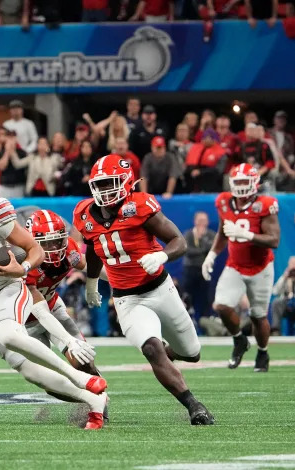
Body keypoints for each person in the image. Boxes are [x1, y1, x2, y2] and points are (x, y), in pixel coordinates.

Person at [0, 155, 107, 430]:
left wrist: (21, 268)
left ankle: (83, 378)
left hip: (7, 288)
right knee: (30, 372)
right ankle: (93, 400)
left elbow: (35, 249)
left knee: (8, 333)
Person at [74, 153, 213, 426]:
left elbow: (178, 240)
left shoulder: (139, 206)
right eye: (100, 184)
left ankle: (169, 353)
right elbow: (92, 250)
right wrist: (92, 282)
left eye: (110, 183)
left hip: (160, 289)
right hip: (128, 299)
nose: (104, 190)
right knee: (151, 349)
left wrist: (162, 256)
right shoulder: (84, 214)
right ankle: (193, 405)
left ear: (126, 182)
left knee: (192, 353)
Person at [201, 164, 280, 372]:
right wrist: (212, 254)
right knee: (221, 306)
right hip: (235, 265)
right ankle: (239, 340)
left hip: (261, 267)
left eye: (246, 182)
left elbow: (274, 240)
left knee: (257, 315)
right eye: (239, 182)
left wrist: (248, 235)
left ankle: (263, 352)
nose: (242, 187)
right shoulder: (224, 202)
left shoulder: (265, 204)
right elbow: (222, 232)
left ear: (255, 183)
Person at [24, 209, 106, 384]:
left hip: (52, 307)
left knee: (83, 361)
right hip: (26, 322)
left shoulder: (68, 249)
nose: (54, 247)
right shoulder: (24, 261)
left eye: (57, 240)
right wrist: (68, 340)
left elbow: (88, 266)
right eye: (47, 243)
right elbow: (40, 312)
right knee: (48, 381)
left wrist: (122, 280)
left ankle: (98, 397)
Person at [182, 212, 215, 325]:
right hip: (190, 270)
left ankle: (206, 322)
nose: (201, 223)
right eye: (199, 220)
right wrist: (202, 250)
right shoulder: (188, 234)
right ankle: (186, 321)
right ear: (195, 221)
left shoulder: (211, 235)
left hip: (205, 270)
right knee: (187, 296)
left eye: (204, 220)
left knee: (206, 297)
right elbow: (187, 251)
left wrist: (202, 239)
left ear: (207, 222)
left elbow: (212, 250)